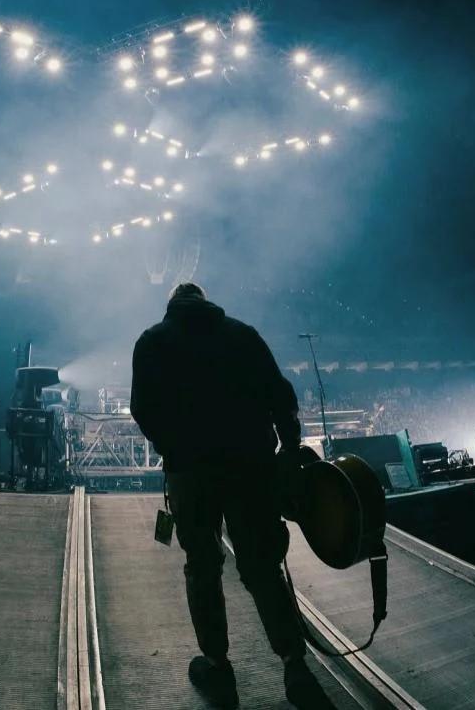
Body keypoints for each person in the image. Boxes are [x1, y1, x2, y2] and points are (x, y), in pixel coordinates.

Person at [131, 283, 331, 709]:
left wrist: (173, 448)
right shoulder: (243, 335)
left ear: (172, 306)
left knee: (202, 566)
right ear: (206, 303)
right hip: (250, 468)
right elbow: (281, 396)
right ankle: (294, 663)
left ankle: (218, 667)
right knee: (261, 565)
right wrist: (289, 448)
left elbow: (142, 408)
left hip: (191, 473)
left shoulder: (152, 342)